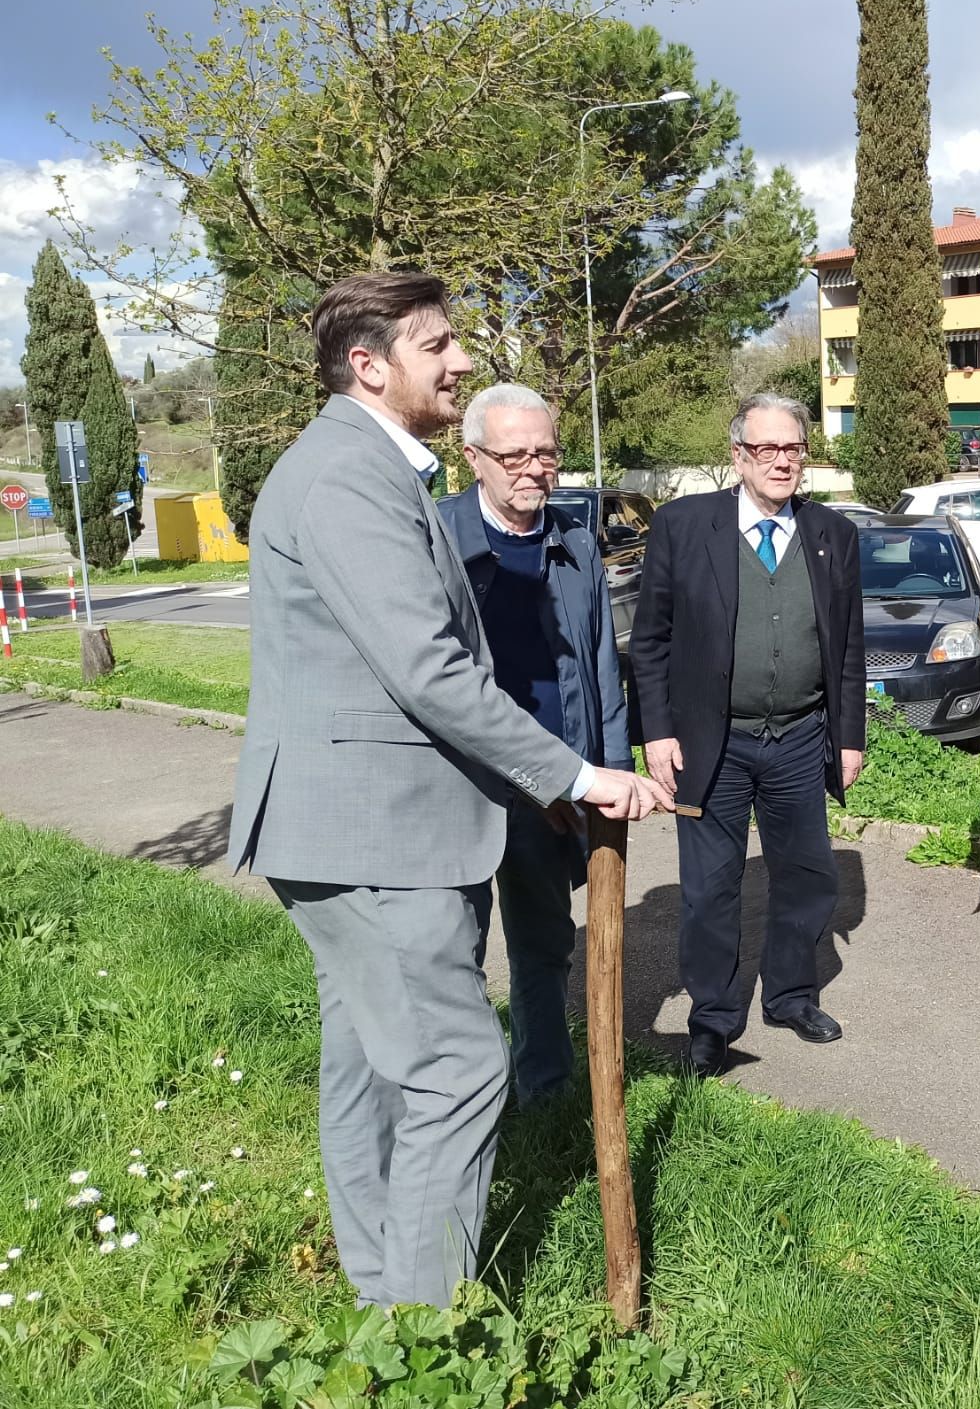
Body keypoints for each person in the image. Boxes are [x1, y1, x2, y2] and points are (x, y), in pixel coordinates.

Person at [227, 272, 669, 1309]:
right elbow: (424, 666)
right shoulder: (345, 477)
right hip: (377, 837)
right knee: (460, 1067)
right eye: (438, 345)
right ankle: (424, 1335)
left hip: (355, 832)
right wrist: (570, 769)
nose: (460, 360)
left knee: (370, 1066)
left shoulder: (367, 469)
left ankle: (381, 1293)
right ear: (368, 363)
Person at [633, 392, 866, 1079]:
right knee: (710, 889)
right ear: (738, 456)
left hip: (799, 739)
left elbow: (849, 647)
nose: (782, 461)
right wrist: (657, 734)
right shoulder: (682, 525)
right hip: (712, 746)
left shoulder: (833, 535)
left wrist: (848, 736)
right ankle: (712, 1019)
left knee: (806, 876)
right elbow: (649, 642)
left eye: (793, 448)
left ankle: (791, 995)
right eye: (767, 449)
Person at [437, 384, 631, 1107]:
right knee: (451, 955)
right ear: (473, 458)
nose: (533, 468)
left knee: (544, 947)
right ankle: (463, 1102)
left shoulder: (575, 544)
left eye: (545, 451)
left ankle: (543, 1095)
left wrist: (607, 782)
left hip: (553, 796)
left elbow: (603, 676)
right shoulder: (435, 539)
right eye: (513, 453)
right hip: (460, 790)